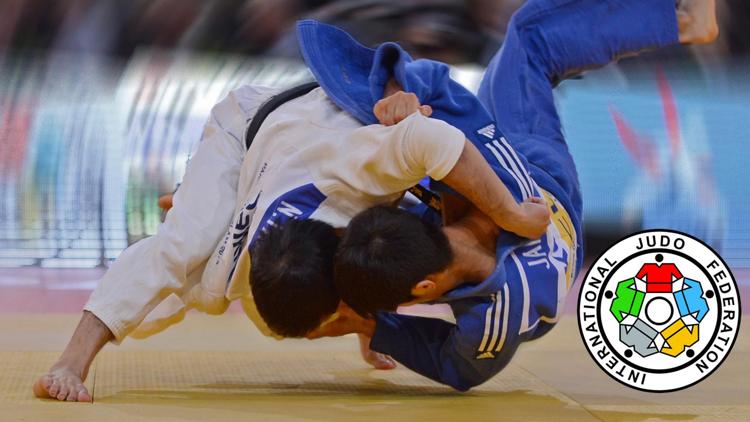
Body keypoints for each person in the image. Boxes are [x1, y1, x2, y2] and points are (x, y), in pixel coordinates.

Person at [32, 34, 550, 405]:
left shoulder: (357, 175)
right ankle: (73, 357)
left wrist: (512, 215)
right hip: (245, 137)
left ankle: (198, 202)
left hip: (298, 132)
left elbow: (433, 140)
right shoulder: (224, 280)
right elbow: (167, 267)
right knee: (180, 252)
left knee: (193, 247)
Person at [306, 0, 719, 391]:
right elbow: (436, 90)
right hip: (541, 180)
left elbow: (459, 369)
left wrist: (376, 325)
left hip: (515, 222)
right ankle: (679, 21)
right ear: (425, 287)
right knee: (529, 39)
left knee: (387, 159)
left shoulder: (485, 325)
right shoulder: (493, 184)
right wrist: (398, 92)